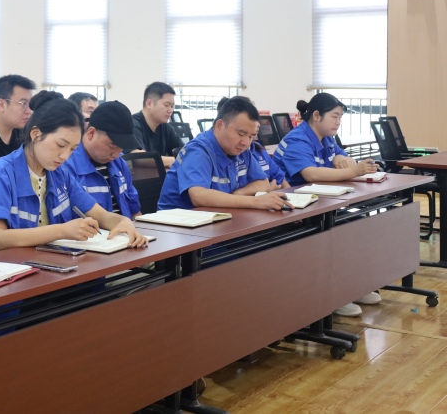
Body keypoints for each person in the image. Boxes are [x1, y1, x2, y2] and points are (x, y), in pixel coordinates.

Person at [0, 95, 148, 250]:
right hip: (17, 268)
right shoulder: (0, 175)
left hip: (58, 264)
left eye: (72, 149)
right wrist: (62, 231)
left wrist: (123, 222)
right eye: (60, 145)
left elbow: (101, 215)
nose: (65, 156)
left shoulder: (60, 174)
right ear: (36, 135)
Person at [272, 92, 382, 317]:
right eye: (334, 116)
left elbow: (346, 159)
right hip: (292, 210)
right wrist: (353, 170)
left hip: (319, 204)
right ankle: (335, 295)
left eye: (340, 117)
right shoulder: (298, 139)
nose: (338, 122)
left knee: (357, 224)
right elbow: (311, 174)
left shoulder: (326, 138)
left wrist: (341, 160)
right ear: (316, 116)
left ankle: (354, 287)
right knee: (337, 232)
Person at [157, 97, 291, 212]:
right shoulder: (198, 151)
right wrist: (254, 201)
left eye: (251, 136)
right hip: (178, 226)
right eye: (241, 134)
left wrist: (238, 194)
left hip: (219, 219)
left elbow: (262, 183)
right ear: (220, 125)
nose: (246, 142)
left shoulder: (241, 149)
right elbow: (199, 196)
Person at [62, 100, 144, 217]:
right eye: (112, 146)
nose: (116, 154)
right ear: (91, 133)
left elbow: (135, 211)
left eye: (121, 147)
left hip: (125, 227)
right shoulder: (66, 167)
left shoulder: (120, 164)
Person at [216, 96, 288, 189]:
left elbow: (279, 179)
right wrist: (269, 190)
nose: (256, 122)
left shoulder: (257, 149)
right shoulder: (231, 152)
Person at [132, 82, 184, 169]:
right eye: (166, 105)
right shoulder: (133, 125)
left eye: (172, 106)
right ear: (149, 104)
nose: (170, 110)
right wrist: (177, 160)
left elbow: (185, 152)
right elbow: (138, 157)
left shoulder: (166, 128)